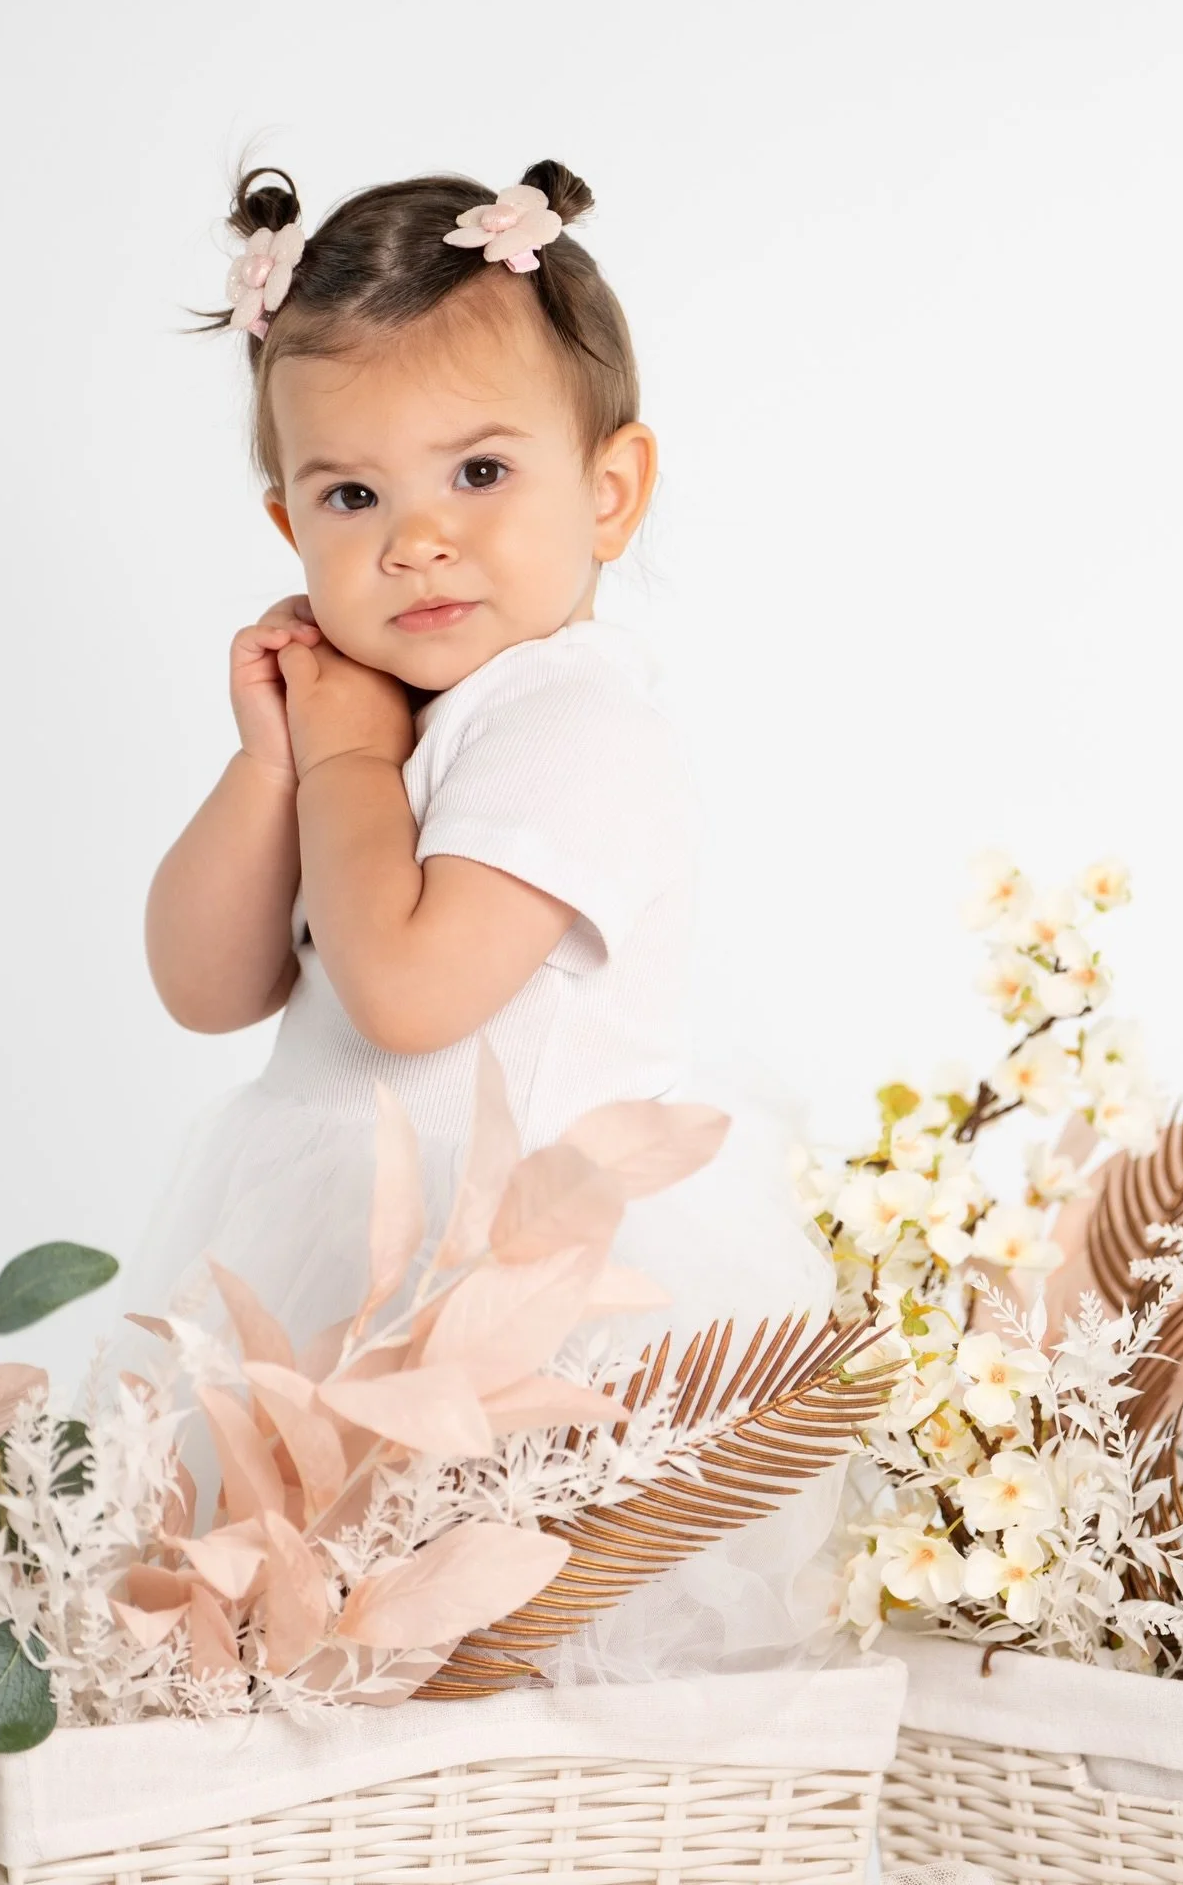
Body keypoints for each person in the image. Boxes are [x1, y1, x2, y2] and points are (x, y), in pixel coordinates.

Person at [111, 156, 843, 1680]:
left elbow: (405, 991)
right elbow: (207, 980)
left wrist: (352, 754)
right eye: (353, 494)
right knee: (324, 1666)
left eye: (481, 474)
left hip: (518, 1310)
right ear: (287, 523)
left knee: (513, 1664)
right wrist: (273, 762)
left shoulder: (572, 721)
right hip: (334, 1271)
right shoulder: (361, 725)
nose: (417, 538)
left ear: (613, 489)